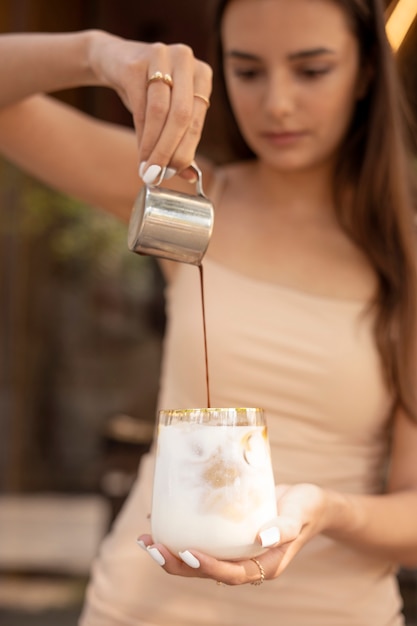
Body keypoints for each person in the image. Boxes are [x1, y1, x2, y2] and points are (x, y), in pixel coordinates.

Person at [1, 0, 417, 624]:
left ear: (363, 74)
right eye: (248, 72)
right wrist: (98, 53)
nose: (277, 103)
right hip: (140, 607)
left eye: (311, 70)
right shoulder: (188, 198)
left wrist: (329, 509)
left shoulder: (405, 256)